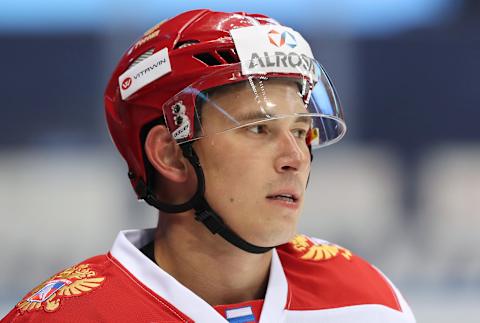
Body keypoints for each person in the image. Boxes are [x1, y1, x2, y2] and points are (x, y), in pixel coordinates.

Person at [1, 9, 415, 323]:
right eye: (258, 129)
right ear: (169, 153)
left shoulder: (368, 301)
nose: (295, 158)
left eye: (303, 130)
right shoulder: (61, 316)